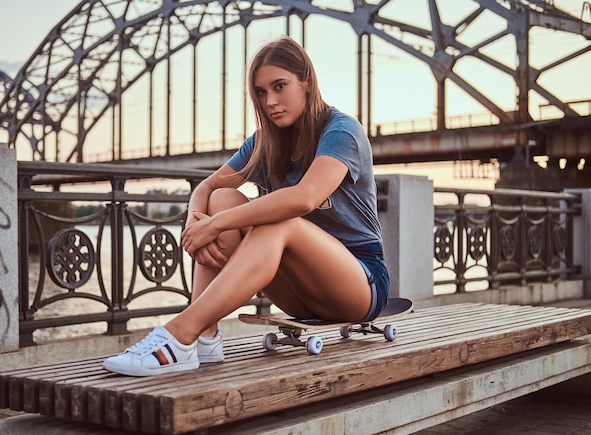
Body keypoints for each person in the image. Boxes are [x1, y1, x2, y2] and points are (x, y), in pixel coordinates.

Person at [103, 35, 390, 376]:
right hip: (299, 292)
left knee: (279, 218)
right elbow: (209, 187)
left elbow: (304, 198)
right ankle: (204, 337)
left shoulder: (342, 130)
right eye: (261, 92)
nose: (270, 101)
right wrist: (197, 224)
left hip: (359, 284)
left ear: (307, 82)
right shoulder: (264, 142)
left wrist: (216, 226)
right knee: (220, 199)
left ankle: (181, 333)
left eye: (280, 86)